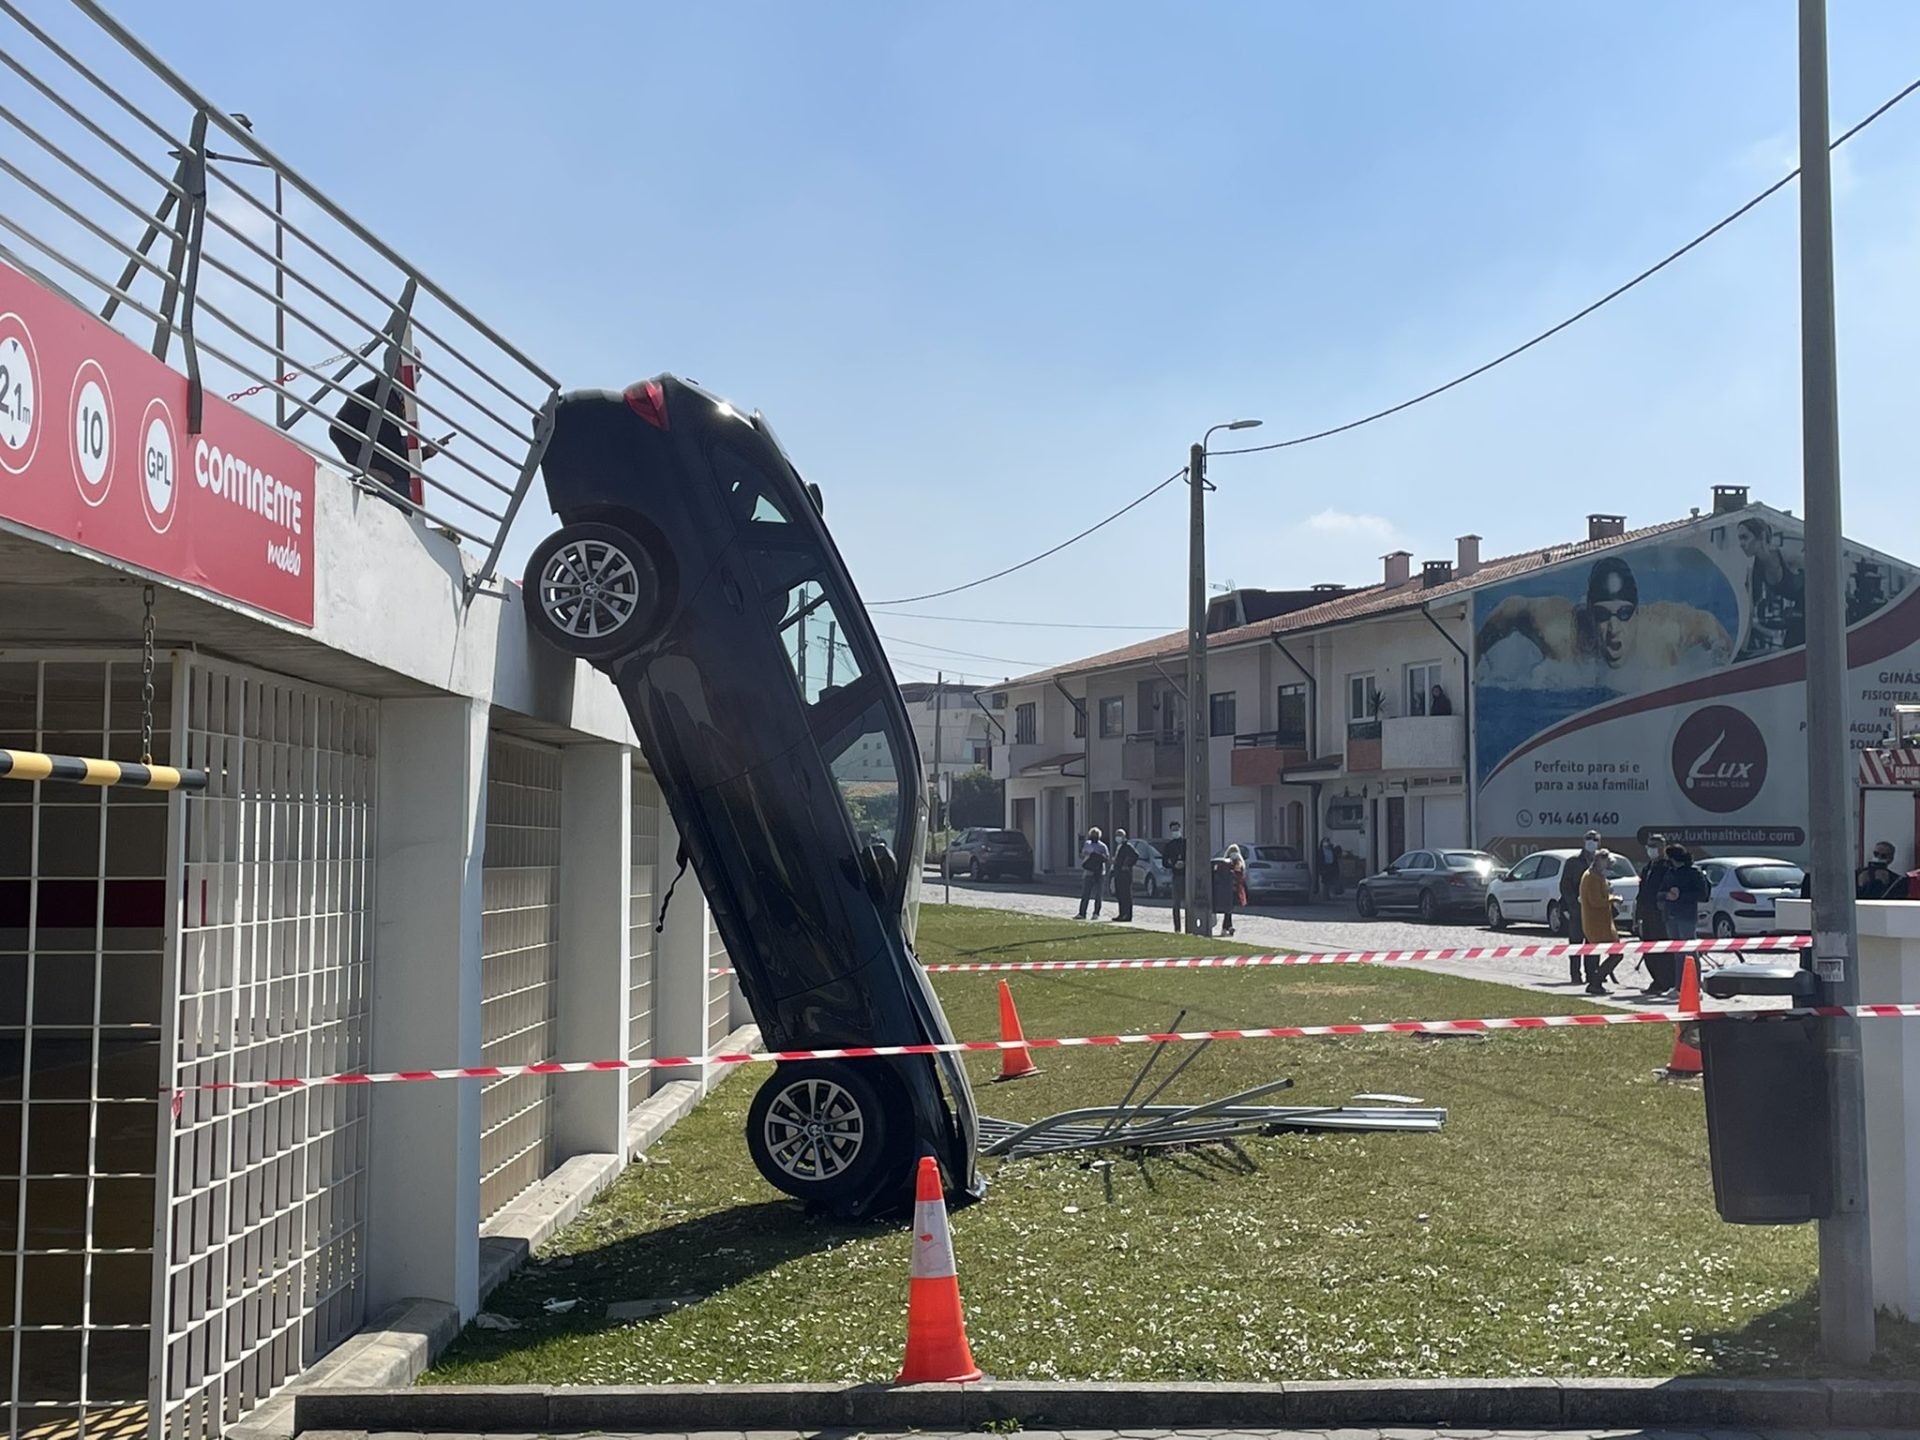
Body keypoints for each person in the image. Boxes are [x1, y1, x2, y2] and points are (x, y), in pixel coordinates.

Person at [1474, 556, 1732, 675]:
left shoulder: (1665, 630)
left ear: (1637, 611)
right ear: (1589, 613)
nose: (1613, 628)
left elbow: (1713, 628)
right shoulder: (1561, 632)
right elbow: (1511, 607)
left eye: (1623, 613)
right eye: (1602, 615)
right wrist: (1471, 664)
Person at [329, 371, 439, 515]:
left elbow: (392, 447)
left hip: (396, 486)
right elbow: (338, 431)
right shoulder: (375, 392)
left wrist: (425, 452)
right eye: (415, 368)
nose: (417, 374)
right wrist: (365, 470)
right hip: (383, 486)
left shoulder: (394, 398)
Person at [1660, 844, 1710, 991]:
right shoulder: (1670, 872)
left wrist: (1681, 895)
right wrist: (1666, 895)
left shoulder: (1693, 872)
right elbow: (1660, 891)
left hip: (1686, 915)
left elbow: (1703, 895)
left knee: (1689, 950)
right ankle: (1678, 986)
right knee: (1677, 952)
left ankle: (1695, 985)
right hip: (1670, 915)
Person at [1636, 834, 1676, 994]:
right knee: (1648, 949)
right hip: (1646, 913)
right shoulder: (1647, 868)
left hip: (1661, 914)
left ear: (1663, 848)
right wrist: (1637, 915)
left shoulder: (1667, 867)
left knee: (1663, 950)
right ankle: (1657, 980)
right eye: (1649, 846)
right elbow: (1642, 892)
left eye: (1655, 846)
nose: (1651, 849)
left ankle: (1666, 981)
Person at [1557, 830, 1598, 981]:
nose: (1591, 842)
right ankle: (1575, 974)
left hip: (1593, 911)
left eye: (1595, 839)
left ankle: (1592, 973)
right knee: (1576, 943)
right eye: (1589, 839)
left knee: (1593, 944)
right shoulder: (1573, 862)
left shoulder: (1599, 861)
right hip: (1577, 910)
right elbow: (1565, 886)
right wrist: (1573, 904)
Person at [1579, 849, 1621, 995]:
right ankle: (1596, 982)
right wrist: (1613, 899)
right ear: (1598, 861)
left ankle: (1596, 981)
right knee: (1617, 954)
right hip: (1596, 923)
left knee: (1615, 952)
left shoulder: (1598, 876)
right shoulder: (1591, 877)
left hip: (1603, 922)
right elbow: (1595, 901)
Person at [1076, 826, 1110, 919]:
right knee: (1097, 894)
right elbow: (1107, 858)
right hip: (1098, 872)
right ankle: (1095, 913)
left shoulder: (1088, 844)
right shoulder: (1103, 846)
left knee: (1087, 893)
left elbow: (1082, 855)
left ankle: (1083, 913)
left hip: (1091, 871)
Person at [1212, 845, 1247, 937]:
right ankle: (1227, 927)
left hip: (1231, 889)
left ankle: (1228, 927)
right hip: (1229, 888)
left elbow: (1239, 873)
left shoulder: (1237, 862)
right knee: (1228, 909)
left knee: (1229, 910)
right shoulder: (1227, 862)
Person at [1161, 821, 1187, 931]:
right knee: (1176, 903)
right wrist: (1173, 865)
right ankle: (1177, 927)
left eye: (1177, 829)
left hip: (1188, 876)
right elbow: (1164, 862)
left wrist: (1185, 863)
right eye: (1173, 830)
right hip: (1176, 876)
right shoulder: (1169, 846)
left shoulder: (1186, 843)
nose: (1175, 832)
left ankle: (1190, 925)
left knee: (1189, 902)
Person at [1110, 827, 1139, 922]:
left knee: (1126, 894)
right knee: (1119, 894)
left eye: (1120, 835)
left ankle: (1127, 915)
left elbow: (1135, 855)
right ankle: (1121, 913)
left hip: (1125, 874)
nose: (1118, 837)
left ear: (1124, 836)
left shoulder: (1127, 846)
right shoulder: (1118, 846)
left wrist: (1127, 864)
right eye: (1117, 835)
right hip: (1118, 873)